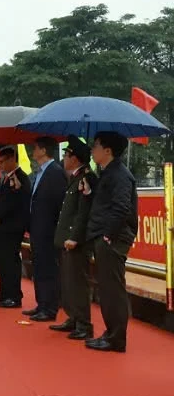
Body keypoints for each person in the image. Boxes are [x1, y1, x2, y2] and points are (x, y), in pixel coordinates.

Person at [84, 131, 137, 353]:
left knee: (112, 289)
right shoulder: (107, 173)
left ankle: (116, 338)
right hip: (104, 236)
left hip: (112, 239)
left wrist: (107, 235)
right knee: (106, 288)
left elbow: (121, 207)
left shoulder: (120, 175)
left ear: (108, 150)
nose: (92, 150)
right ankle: (111, 333)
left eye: (95, 146)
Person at [50, 136, 97, 340]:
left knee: (78, 282)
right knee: (68, 282)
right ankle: (74, 318)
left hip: (76, 241)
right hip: (67, 240)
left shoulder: (86, 178)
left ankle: (84, 324)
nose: (64, 159)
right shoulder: (75, 178)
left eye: (67, 155)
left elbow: (83, 213)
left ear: (75, 158)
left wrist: (75, 237)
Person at [24, 137, 67, 322]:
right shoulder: (39, 172)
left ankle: (50, 307)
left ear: (43, 150)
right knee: (39, 267)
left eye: (35, 148)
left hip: (49, 229)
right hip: (37, 227)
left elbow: (59, 203)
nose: (33, 152)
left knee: (49, 268)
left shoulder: (55, 172)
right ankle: (41, 303)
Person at [0, 147, 31, 309]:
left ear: (12, 159)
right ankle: (4, 291)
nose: (0, 166)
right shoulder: (7, 178)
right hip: (3, 226)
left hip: (12, 226)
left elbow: (14, 203)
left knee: (10, 261)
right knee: (2, 261)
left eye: (2, 162)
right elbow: (1, 199)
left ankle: (14, 295)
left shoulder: (20, 178)